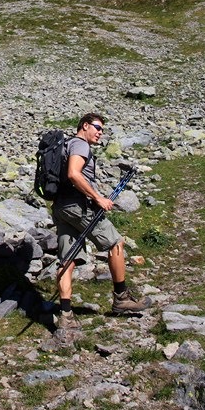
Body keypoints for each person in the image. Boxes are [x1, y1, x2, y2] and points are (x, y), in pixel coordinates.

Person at [53, 112, 152, 329]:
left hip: (61, 207)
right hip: (78, 207)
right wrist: (97, 197)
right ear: (85, 125)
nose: (100, 133)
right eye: (97, 127)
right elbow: (73, 174)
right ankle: (121, 298)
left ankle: (66, 315)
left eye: (103, 130)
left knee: (67, 258)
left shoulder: (64, 145)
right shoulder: (80, 145)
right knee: (115, 243)